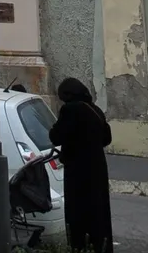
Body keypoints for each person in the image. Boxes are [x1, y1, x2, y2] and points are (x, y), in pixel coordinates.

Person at [48, 77, 114, 253]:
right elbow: (107, 138)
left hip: (78, 169)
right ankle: (101, 245)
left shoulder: (70, 110)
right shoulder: (95, 109)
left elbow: (56, 136)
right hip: (97, 167)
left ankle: (80, 246)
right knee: (98, 210)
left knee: (79, 211)